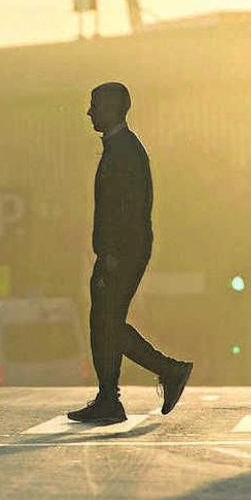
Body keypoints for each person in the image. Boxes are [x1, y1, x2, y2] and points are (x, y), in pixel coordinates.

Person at [69, 82, 194, 425]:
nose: (89, 112)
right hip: (121, 251)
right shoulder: (120, 147)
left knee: (106, 322)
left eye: (94, 105)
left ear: (111, 108)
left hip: (122, 253)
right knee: (104, 322)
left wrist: (112, 253)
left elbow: (127, 209)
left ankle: (166, 371)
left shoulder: (124, 150)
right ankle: (110, 397)